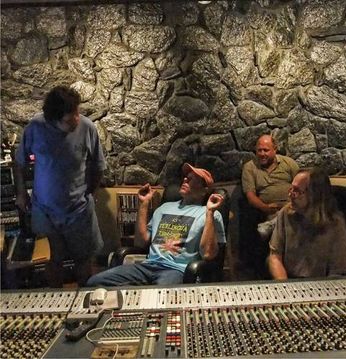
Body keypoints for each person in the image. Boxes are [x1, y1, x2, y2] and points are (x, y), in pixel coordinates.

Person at [15, 86, 106, 287]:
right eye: (69, 117)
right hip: (44, 209)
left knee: (84, 260)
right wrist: (22, 194)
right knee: (52, 259)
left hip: (79, 209)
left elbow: (98, 165)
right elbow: (20, 162)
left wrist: (90, 192)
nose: (76, 119)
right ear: (53, 119)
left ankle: (86, 304)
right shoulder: (35, 128)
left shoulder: (87, 127)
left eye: (77, 112)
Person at [87, 163, 226, 286]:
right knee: (94, 283)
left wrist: (210, 212)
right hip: (148, 266)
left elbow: (208, 254)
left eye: (192, 178)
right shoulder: (164, 208)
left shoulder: (209, 213)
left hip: (176, 270)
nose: (185, 179)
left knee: (159, 297)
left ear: (204, 189)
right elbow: (140, 242)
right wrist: (143, 204)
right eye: (185, 176)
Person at [268, 168, 346, 279]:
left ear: (315, 195)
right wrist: (284, 286)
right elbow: (275, 256)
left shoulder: (335, 223)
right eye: (291, 188)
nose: (290, 194)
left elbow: (338, 271)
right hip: (289, 280)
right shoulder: (285, 213)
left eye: (297, 191)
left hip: (322, 284)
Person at [240, 134, 299, 278]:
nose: (262, 154)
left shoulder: (288, 163)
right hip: (267, 212)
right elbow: (250, 196)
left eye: (266, 150)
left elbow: (302, 185)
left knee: (288, 216)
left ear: (275, 149)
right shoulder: (250, 167)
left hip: (293, 208)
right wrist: (265, 207)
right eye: (259, 150)